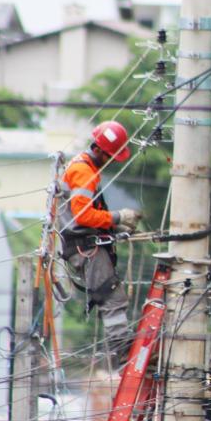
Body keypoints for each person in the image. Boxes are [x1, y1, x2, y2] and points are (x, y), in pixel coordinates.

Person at [60, 121, 142, 359]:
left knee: (112, 297)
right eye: (110, 156)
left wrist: (115, 225)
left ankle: (122, 350)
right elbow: (83, 216)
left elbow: (87, 214)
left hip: (86, 242)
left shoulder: (85, 166)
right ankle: (123, 355)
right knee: (111, 298)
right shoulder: (83, 172)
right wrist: (118, 217)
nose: (110, 161)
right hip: (84, 246)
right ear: (98, 150)